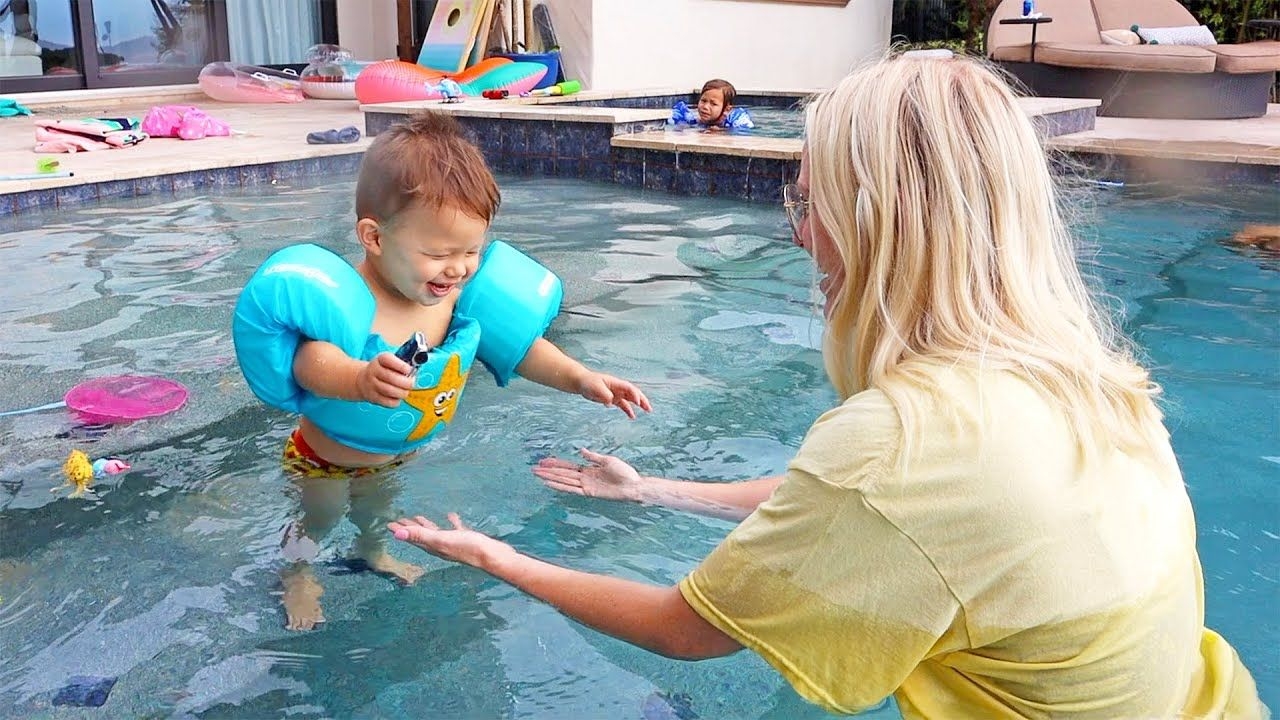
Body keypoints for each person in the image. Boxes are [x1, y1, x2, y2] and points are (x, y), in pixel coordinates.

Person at [387, 55, 1265, 718]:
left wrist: (501, 559)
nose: (801, 238)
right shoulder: (1087, 375)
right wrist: (654, 490)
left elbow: (686, 629)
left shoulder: (904, 445)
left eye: (812, 206)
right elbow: (875, 510)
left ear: (882, 223)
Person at [231, 111, 652, 631]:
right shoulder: (350, 301)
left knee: (376, 512)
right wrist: (359, 379)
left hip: (392, 455)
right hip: (325, 458)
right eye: (437, 253)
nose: (458, 268)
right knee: (318, 519)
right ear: (374, 237)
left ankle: (371, 552)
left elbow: (519, 350)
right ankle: (296, 572)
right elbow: (312, 364)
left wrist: (581, 378)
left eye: (471, 250)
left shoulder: (452, 298)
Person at [668, 78, 754, 131]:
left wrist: (722, 131)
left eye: (713, 104)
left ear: (726, 109)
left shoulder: (737, 121)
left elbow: (745, 133)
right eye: (703, 101)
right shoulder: (691, 119)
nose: (705, 107)